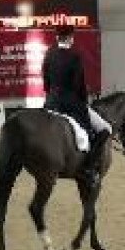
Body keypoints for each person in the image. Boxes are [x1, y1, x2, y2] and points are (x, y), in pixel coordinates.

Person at [42, 24, 112, 186]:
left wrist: (52, 97)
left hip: (51, 103)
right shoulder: (75, 56)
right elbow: (78, 85)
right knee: (104, 130)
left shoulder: (49, 54)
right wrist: (84, 102)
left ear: (56, 37)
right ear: (71, 38)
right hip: (71, 104)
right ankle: (88, 168)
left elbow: (46, 83)